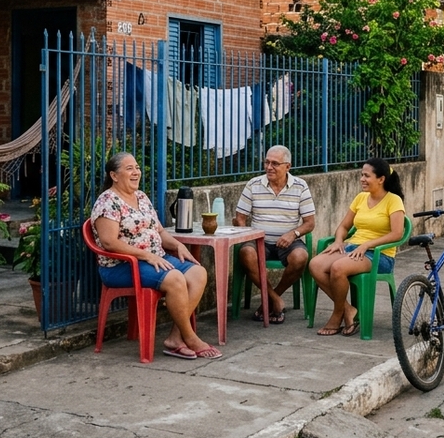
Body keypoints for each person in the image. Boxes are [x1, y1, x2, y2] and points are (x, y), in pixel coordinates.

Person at [91, 152, 221, 360]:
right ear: (114, 176)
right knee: (176, 279)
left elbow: (159, 231)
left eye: (137, 167)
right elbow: (109, 242)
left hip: (155, 258)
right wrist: (146, 256)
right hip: (121, 266)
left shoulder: (141, 197)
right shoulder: (108, 201)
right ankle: (191, 338)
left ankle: (175, 339)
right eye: (129, 168)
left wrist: (178, 245)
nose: (136, 172)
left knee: (198, 273)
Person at [309, 158, 406, 336]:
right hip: (353, 249)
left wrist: (367, 244)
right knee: (315, 264)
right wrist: (339, 241)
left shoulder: (394, 200)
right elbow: (344, 226)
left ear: (381, 179)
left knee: (338, 268)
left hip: (379, 255)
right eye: (361, 174)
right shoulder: (361, 198)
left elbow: (397, 233)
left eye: (366, 175)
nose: (362, 179)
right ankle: (348, 310)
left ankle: (337, 314)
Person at [232, 145, 316, 324]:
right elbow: (240, 218)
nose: (269, 167)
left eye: (275, 163)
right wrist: (250, 236)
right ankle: (275, 300)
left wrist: (293, 234)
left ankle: (270, 300)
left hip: (288, 241)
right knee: (246, 253)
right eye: (267, 162)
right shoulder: (253, 185)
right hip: (258, 240)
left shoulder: (300, 186)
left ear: (288, 166)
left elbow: (310, 223)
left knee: (301, 256)